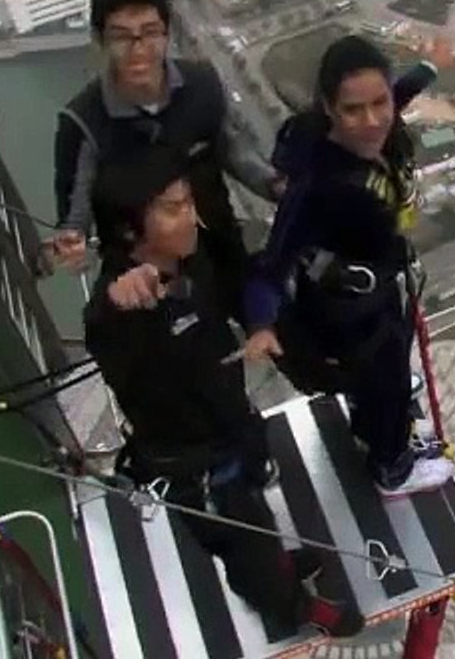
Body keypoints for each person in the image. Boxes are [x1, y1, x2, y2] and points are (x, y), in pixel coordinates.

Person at [83, 144, 364, 639]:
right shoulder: (124, 313)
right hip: (198, 467)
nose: (191, 218)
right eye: (174, 209)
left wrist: (261, 328)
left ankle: (275, 566)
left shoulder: (193, 263)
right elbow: (104, 327)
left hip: (234, 428)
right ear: (130, 231)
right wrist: (114, 299)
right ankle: (291, 608)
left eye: (189, 202)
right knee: (244, 545)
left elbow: (239, 288)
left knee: (255, 520)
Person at [242, 35, 455, 497]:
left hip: (381, 287)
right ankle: (392, 468)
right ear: (329, 109)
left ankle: (375, 409)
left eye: (379, 103)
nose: (372, 120)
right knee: (385, 382)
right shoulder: (319, 184)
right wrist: (261, 324)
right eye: (353, 110)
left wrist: (430, 67)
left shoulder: (375, 127)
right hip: (351, 311)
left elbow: (397, 94)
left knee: (387, 371)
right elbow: (272, 264)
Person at [52, 0, 282, 317]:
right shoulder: (82, 124)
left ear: (167, 32)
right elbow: (73, 220)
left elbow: (238, 155)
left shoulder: (203, 85)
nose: (138, 48)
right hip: (148, 289)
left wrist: (282, 187)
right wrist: (71, 247)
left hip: (223, 257)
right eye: (122, 37)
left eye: (150, 32)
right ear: (99, 40)